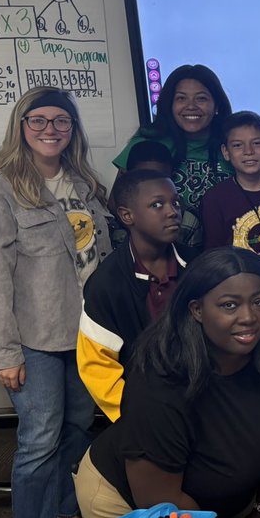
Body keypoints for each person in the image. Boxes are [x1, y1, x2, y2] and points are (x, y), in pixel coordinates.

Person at [0, 87, 111, 518]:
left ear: (73, 129)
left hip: (86, 336)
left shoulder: (86, 184)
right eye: (39, 120)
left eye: (62, 121)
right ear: (20, 125)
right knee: (39, 441)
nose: (51, 129)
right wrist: (3, 352)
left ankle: (66, 517)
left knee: (77, 429)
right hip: (34, 340)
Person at [73, 248, 260, 518]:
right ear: (196, 310)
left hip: (220, 500)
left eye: (259, 302)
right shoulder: (159, 382)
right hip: (136, 504)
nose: (249, 317)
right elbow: (161, 503)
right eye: (229, 305)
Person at [78, 169, 190, 421]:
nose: (172, 211)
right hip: (145, 413)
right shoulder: (105, 285)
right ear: (127, 215)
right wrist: (136, 418)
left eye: (175, 202)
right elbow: (98, 368)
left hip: (203, 401)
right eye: (157, 205)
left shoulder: (198, 267)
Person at [114, 64, 235, 248]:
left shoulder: (232, 144)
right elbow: (117, 200)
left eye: (201, 99)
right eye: (181, 98)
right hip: (164, 256)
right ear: (169, 104)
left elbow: (255, 185)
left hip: (224, 253)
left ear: (216, 105)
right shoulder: (148, 141)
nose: (191, 106)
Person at [200, 111, 260, 264]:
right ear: (226, 152)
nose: (249, 152)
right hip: (241, 283)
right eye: (238, 145)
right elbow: (214, 257)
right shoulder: (215, 199)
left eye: (257, 143)